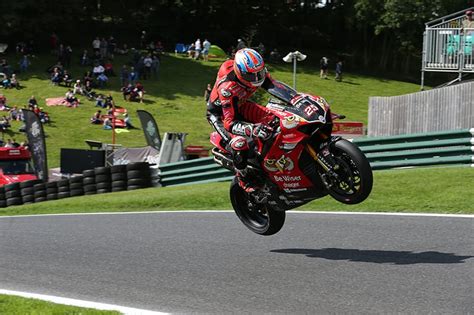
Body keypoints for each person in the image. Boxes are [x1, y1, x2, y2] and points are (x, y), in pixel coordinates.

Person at [206, 48, 282, 193]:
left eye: (259, 73)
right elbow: (230, 123)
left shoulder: (255, 71)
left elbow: (275, 87)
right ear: (241, 73)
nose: (257, 78)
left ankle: (270, 161)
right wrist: (253, 130)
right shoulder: (227, 88)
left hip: (240, 105)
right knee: (239, 143)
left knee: (275, 118)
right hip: (221, 115)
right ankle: (243, 180)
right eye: (252, 76)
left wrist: (296, 99)